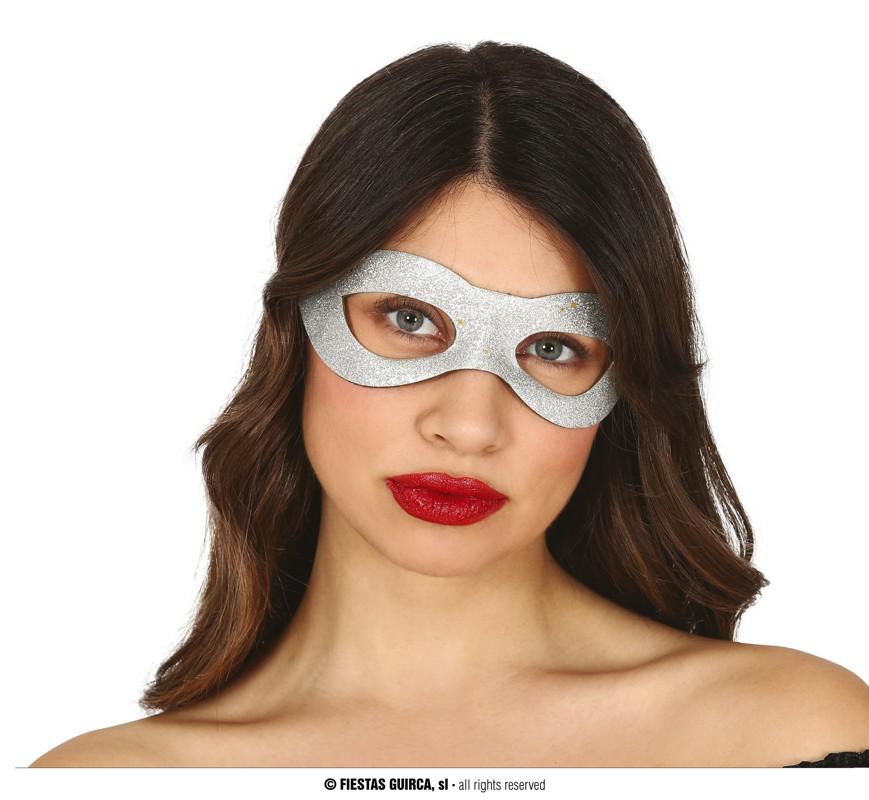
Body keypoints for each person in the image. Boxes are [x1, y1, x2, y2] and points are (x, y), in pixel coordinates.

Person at [31, 40, 869, 768]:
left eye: (553, 348)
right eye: (409, 319)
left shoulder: (783, 734)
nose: (469, 427)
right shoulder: (103, 779)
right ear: (297, 327)